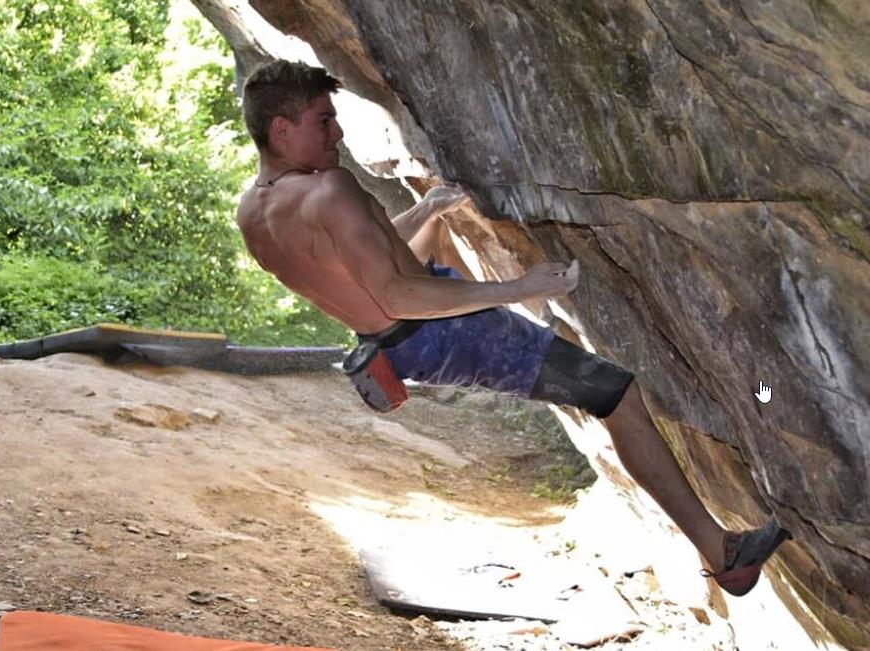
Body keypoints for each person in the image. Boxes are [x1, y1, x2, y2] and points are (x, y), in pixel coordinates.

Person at [235, 59, 791, 596]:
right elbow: (396, 291)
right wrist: (518, 288)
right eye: (322, 120)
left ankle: (716, 549)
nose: (337, 132)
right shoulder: (331, 188)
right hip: (444, 331)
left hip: (398, 346)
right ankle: (723, 554)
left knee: (608, 393)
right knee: (615, 394)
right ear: (282, 129)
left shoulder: (255, 211)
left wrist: (429, 210)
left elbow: (356, 267)